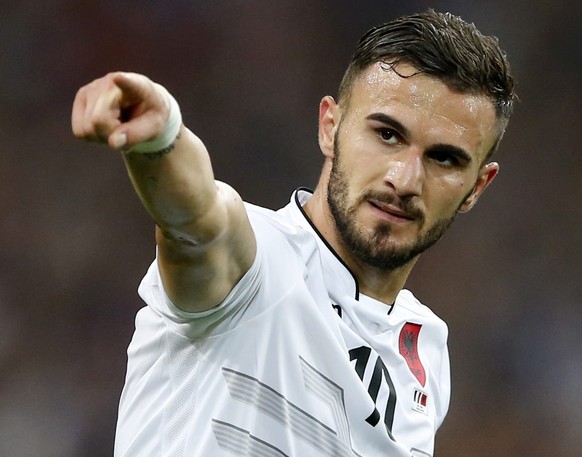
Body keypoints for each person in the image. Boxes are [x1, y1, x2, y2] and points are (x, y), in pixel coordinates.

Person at [71, 9, 515, 457]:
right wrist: (162, 139)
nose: (404, 179)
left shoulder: (427, 351)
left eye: (444, 159)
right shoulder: (258, 260)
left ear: (477, 186)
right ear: (330, 127)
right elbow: (198, 219)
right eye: (386, 134)